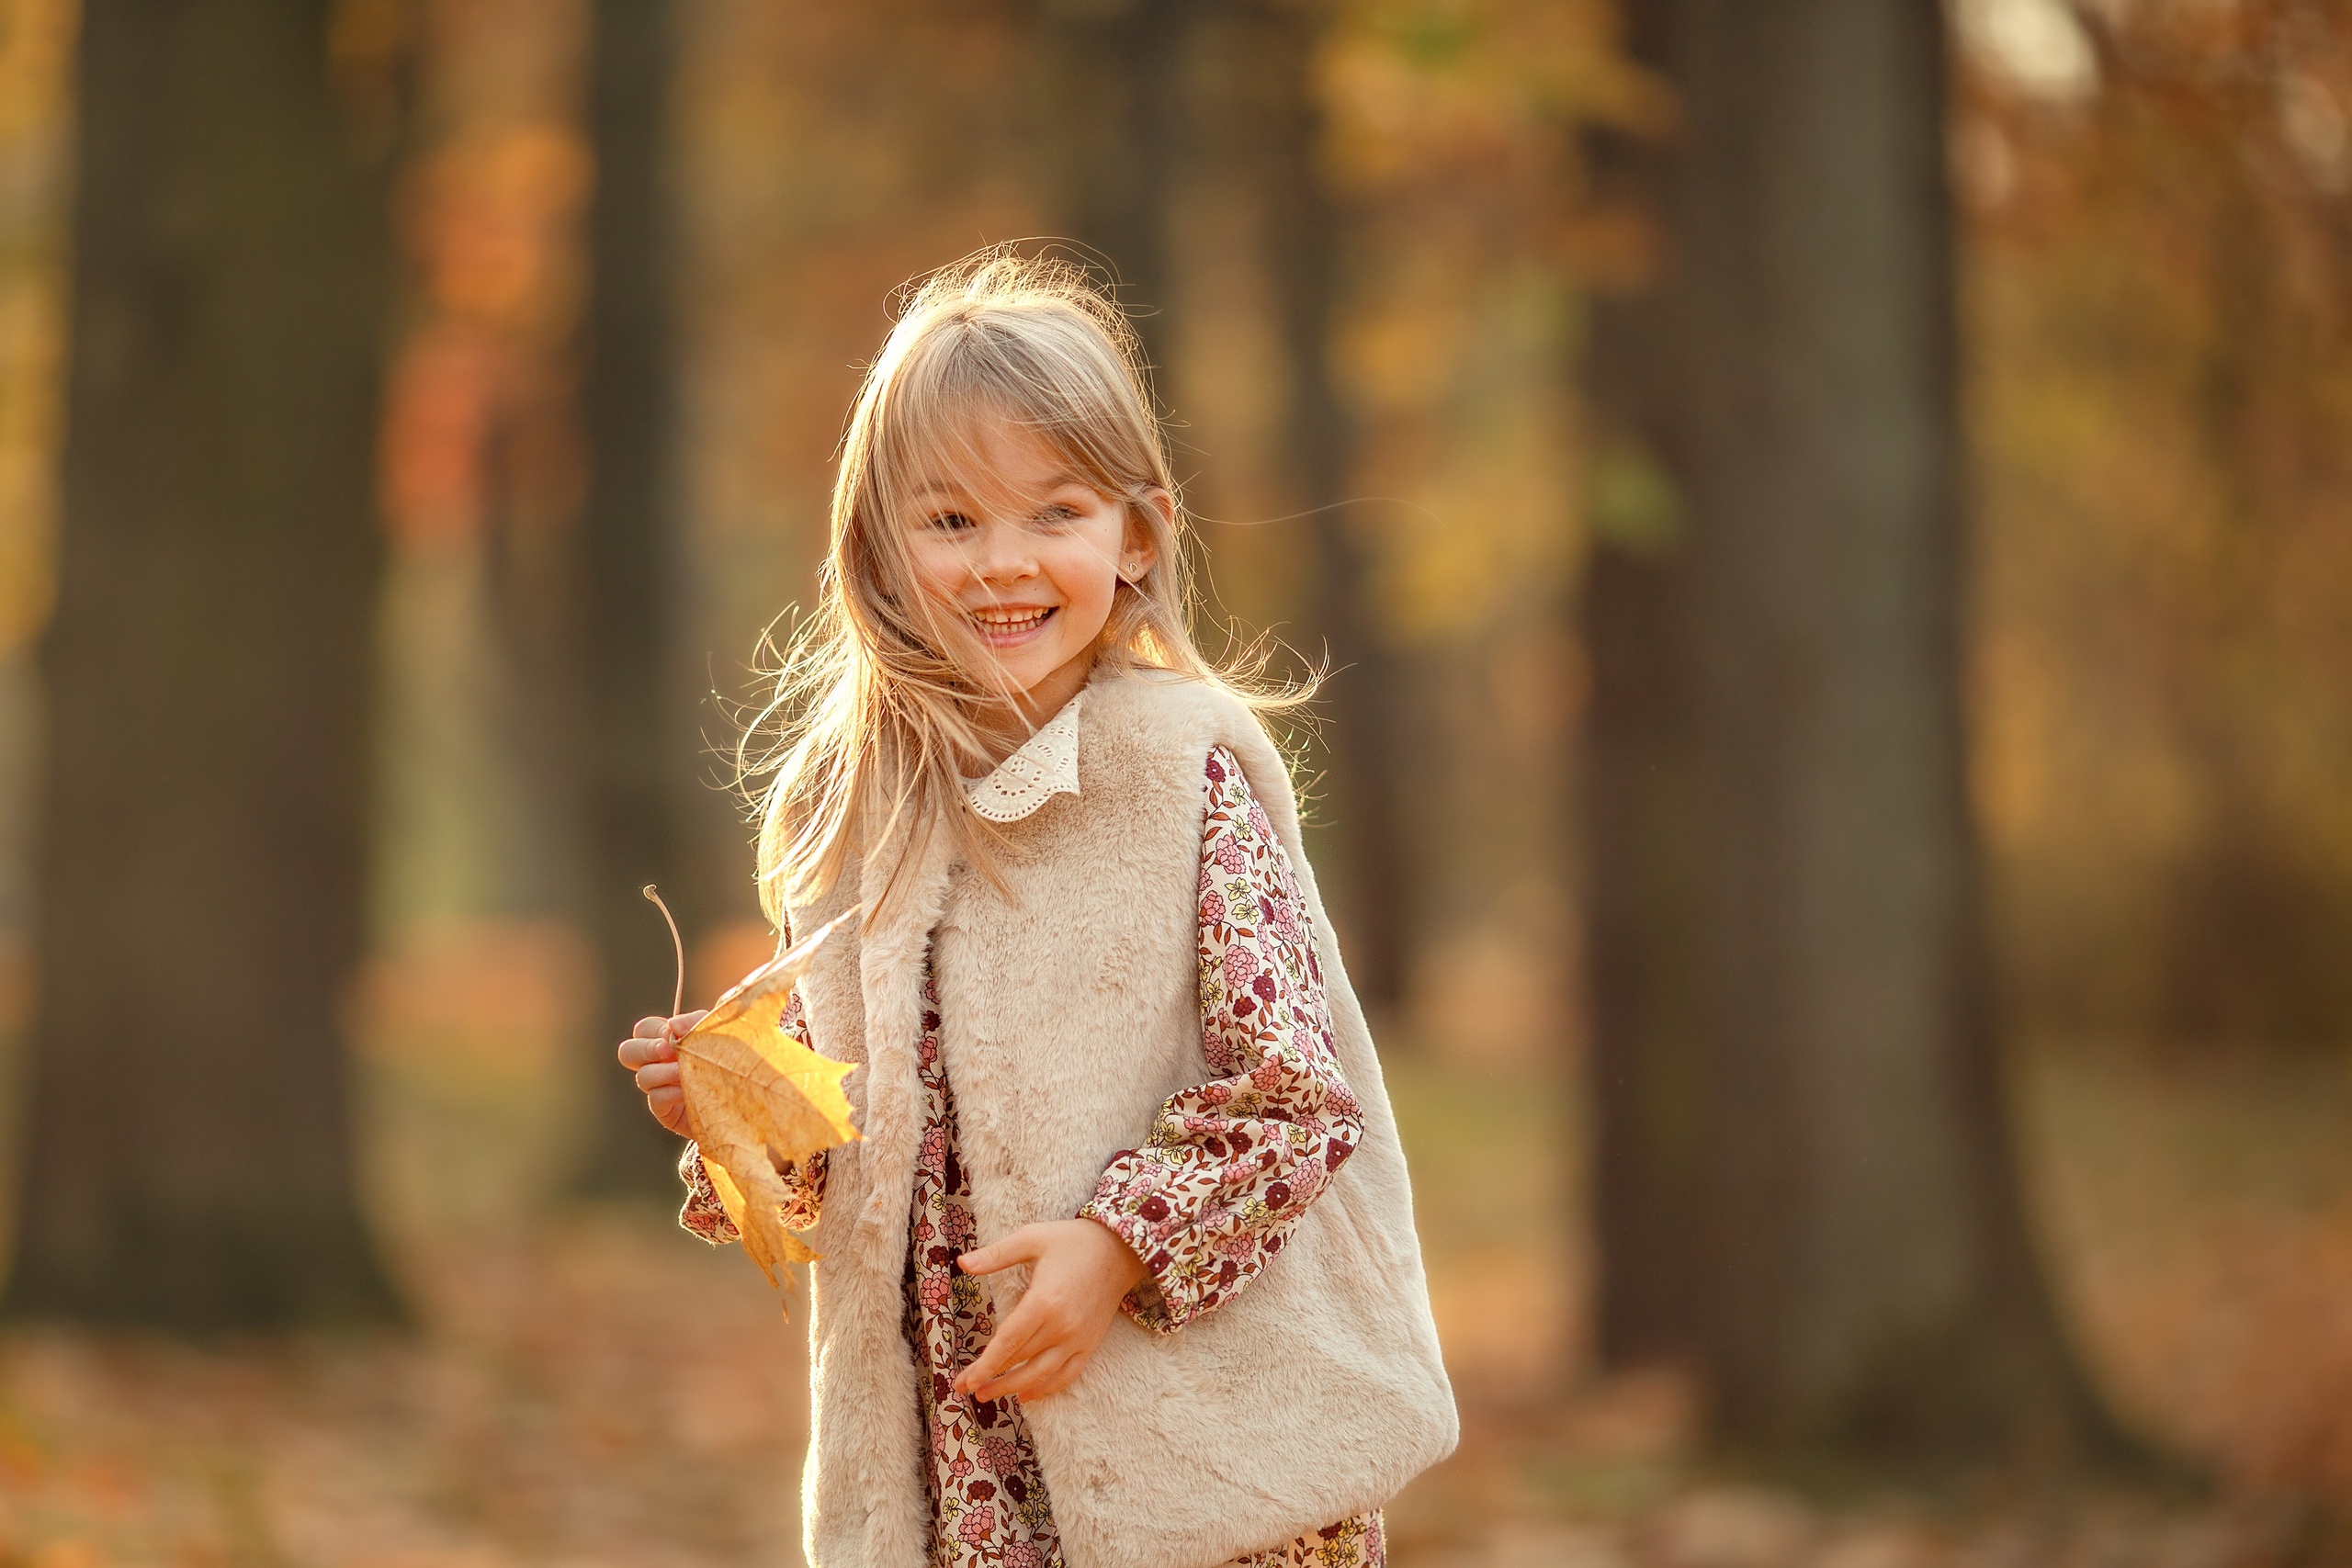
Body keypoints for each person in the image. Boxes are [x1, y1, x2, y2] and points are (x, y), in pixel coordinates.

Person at [615, 250, 1454, 1568]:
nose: (1003, 564)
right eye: (950, 522)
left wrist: (1119, 1245)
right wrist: (736, 1121)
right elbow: (851, 1164)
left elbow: (1297, 1091)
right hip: (957, 1479)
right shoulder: (852, 815)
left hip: (1195, 1454)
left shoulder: (1182, 774)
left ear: (1137, 534)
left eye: (1054, 512)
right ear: (880, 549)